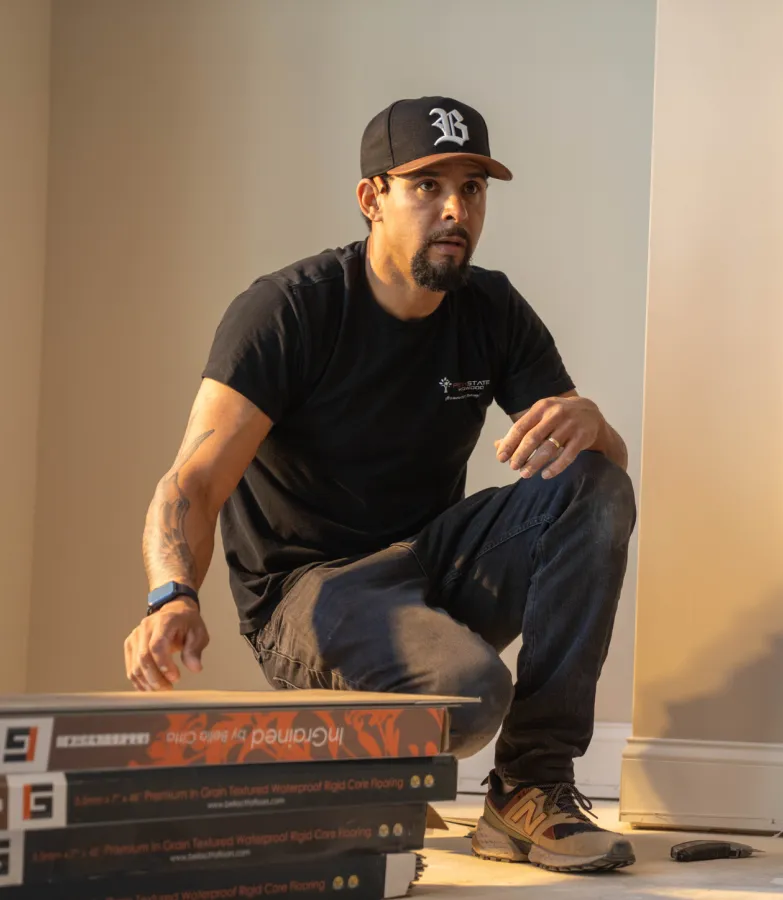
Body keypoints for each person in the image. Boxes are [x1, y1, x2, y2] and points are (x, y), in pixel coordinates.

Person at [124, 96, 637, 873]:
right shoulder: (290, 312)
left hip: (425, 566)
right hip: (310, 592)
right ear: (372, 197)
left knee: (593, 484)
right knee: (467, 696)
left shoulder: (491, 309)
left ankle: (530, 790)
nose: (456, 210)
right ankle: (360, 766)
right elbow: (192, 482)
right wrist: (171, 597)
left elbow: (600, 485)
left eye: (472, 188)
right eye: (428, 186)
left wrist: (592, 423)